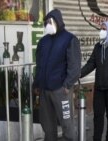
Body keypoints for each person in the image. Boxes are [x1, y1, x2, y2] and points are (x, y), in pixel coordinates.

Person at [32, 9, 81, 141]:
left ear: (58, 21)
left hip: (61, 90)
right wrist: (36, 84)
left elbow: (75, 66)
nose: (48, 24)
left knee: (67, 123)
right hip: (45, 90)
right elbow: (40, 65)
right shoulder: (43, 41)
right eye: (46, 22)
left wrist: (67, 85)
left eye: (50, 22)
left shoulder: (69, 39)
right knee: (47, 125)